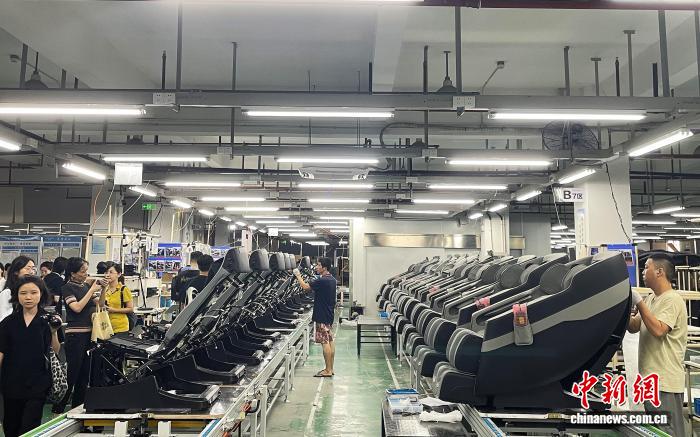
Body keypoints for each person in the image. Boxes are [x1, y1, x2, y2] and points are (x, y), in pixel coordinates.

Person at [628, 254, 688, 437]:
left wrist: (639, 302)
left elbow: (659, 330)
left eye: (647, 267)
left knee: (667, 432)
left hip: (665, 382)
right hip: (650, 381)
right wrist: (623, 309)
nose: (643, 272)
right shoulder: (651, 299)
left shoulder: (672, 299)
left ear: (660, 272)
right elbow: (635, 326)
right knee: (655, 432)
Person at [0, 276, 61, 437]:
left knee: (30, 427)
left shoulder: (49, 320)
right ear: (16, 295)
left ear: (41, 294)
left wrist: (54, 332)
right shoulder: (8, 322)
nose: (28, 297)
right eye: (23, 293)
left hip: (38, 383)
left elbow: (55, 350)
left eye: (33, 292)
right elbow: (1, 352)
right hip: (11, 382)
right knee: (11, 426)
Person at [52, 257, 107, 414]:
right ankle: (58, 408)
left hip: (90, 335)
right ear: (73, 273)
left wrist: (103, 289)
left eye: (86, 271)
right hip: (75, 336)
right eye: (82, 271)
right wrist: (91, 290)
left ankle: (78, 408)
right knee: (72, 373)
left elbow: (101, 304)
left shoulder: (85, 287)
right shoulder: (67, 288)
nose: (85, 274)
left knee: (84, 376)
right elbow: (76, 307)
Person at [294, 257, 336, 378]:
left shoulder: (322, 281)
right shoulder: (332, 279)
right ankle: (330, 368)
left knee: (324, 342)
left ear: (324, 267)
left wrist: (298, 275)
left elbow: (305, 287)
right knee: (330, 340)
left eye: (318, 265)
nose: (316, 267)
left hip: (321, 315)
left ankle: (327, 370)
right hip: (329, 314)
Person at [99, 262, 133, 334]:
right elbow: (101, 305)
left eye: (111, 272)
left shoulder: (123, 289)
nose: (108, 275)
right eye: (106, 272)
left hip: (121, 327)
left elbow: (130, 309)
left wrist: (114, 310)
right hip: (107, 326)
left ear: (119, 274)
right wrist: (103, 288)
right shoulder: (106, 289)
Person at [0, 256, 37, 322]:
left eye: (33, 269)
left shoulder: (36, 290)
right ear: (16, 271)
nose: (32, 272)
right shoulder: (7, 293)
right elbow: (4, 319)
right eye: (28, 268)